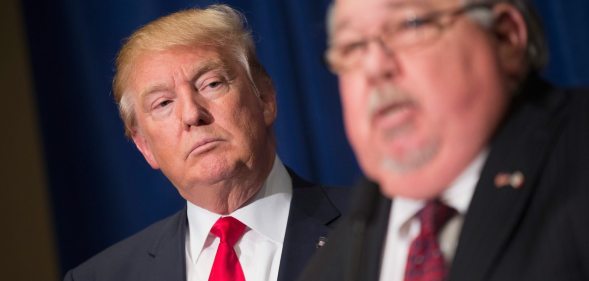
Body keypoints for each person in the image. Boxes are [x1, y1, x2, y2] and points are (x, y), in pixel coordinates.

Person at [299, 0, 589, 280]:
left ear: (505, 36)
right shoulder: (330, 265)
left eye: (410, 25)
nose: (374, 68)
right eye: (352, 46)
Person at [64, 5, 348, 281]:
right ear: (144, 147)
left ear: (264, 99)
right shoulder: (100, 276)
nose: (191, 114)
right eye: (163, 103)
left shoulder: (373, 226)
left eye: (211, 84)